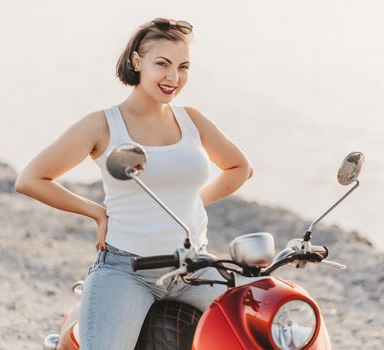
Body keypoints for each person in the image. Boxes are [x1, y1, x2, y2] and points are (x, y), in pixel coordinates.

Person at [14, 17, 253, 349]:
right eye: (163, 64)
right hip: (127, 271)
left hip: (195, 268)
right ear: (137, 62)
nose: (174, 77)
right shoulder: (103, 125)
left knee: (260, 329)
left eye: (183, 67)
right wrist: (96, 212)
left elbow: (239, 167)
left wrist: (193, 204)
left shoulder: (192, 120)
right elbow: (31, 179)